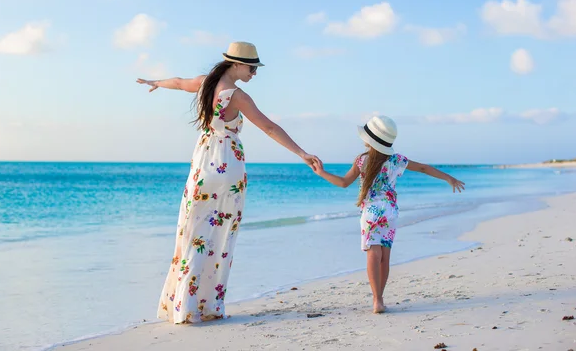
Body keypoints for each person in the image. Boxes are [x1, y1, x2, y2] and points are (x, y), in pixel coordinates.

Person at [137, 41, 321, 324]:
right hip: (227, 166)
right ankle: (205, 305)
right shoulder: (237, 95)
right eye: (251, 67)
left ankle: (183, 305)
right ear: (235, 64)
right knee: (219, 235)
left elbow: (177, 82)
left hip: (202, 163)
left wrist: (155, 82)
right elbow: (269, 127)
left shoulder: (204, 84)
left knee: (193, 231)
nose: (254, 73)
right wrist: (302, 153)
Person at [312, 115, 465, 314]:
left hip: (370, 213)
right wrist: (449, 178)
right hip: (390, 211)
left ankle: (376, 300)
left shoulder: (362, 160)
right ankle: (381, 299)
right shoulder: (397, 160)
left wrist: (321, 172)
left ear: (370, 139)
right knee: (385, 257)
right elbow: (424, 168)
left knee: (373, 254)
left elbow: (343, 183)